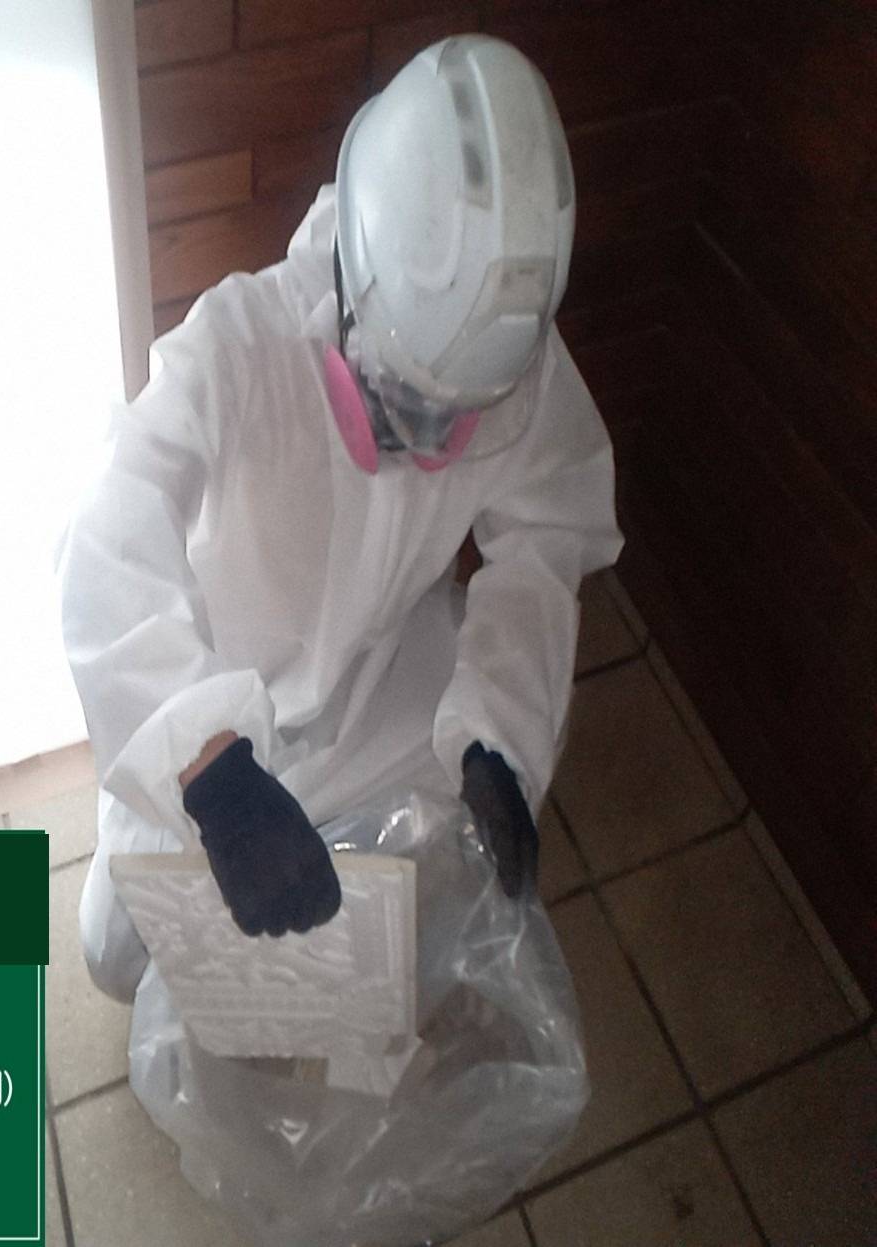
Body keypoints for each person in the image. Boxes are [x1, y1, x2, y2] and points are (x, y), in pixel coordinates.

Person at [58, 35, 623, 1004]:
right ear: (351, 287)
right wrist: (208, 768)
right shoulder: (239, 345)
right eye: (404, 399)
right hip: (216, 685)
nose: (427, 439)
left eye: (455, 414)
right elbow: (107, 534)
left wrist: (498, 734)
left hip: (378, 675)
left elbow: (546, 536)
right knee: (114, 954)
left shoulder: (506, 353)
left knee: (450, 865)